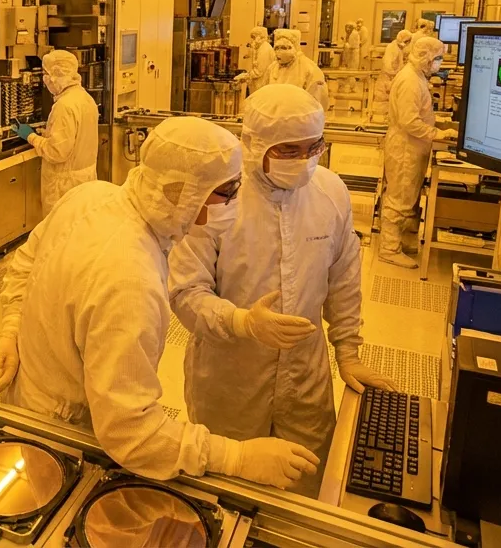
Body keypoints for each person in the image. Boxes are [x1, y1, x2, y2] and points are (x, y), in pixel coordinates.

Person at [0, 117, 321, 489]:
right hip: (64, 434)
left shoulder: (91, 196)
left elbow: (26, 262)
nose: (234, 204)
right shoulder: (130, 278)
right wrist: (237, 457)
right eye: (226, 192)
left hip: (37, 393)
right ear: (183, 192)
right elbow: (131, 432)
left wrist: (11, 327)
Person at [168, 84, 397, 497]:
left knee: (303, 492)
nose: (305, 161)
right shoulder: (218, 199)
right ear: (255, 145)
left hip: (305, 380)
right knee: (227, 493)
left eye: (314, 147)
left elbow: (344, 278)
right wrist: (242, 323)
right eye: (289, 150)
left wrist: (348, 352)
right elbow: (186, 291)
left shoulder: (331, 194)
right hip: (230, 381)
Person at [379, 36, 457, 268]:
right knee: (399, 198)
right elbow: (409, 121)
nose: (439, 63)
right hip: (405, 147)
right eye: (438, 58)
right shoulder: (411, 81)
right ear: (426, 56)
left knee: (408, 196)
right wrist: (437, 134)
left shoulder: (417, 76)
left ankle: (404, 240)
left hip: (412, 146)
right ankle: (389, 249)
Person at [14, 50, 99, 214]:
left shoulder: (64, 106)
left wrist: (30, 137)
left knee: (60, 234)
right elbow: (75, 139)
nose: (45, 79)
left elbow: (57, 153)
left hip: (65, 186)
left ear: (56, 74)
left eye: (46, 73)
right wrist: (47, 133)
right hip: (84, 181)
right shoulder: (85, 98)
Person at [267, 29, 329, 110]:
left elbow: (317, 102)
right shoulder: (272, 68)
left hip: (299, 117)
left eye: (284, 48)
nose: (279, 52)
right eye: (277, 48)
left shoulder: (309, 68)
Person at [372, 27, 414, 116]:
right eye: (407, 41)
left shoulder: (398, 47)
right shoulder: (392, 48)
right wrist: (396, 73)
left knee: (391, 103)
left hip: (392, 78)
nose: (408, 43)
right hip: (387, 79)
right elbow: (387, 66)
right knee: (382, 103)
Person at [233, 25, 274, 95]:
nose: (251, 41)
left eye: (253, 37)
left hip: (261, 87)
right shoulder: (260, 48)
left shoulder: (265, 50)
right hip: (258, 86)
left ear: (259, 37)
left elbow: (258, 72)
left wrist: (245, 76)